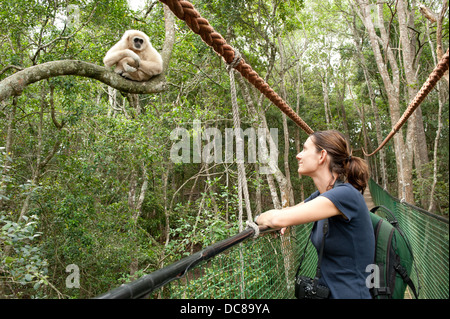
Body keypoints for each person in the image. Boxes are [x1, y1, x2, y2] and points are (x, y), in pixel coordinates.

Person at [255, 130, 375, 299]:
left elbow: (277, 218)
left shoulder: (345, 195)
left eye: (304, 149)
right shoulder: (323, 195)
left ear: (322, 156)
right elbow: (288, 213)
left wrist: (258, 219)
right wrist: (285, 220)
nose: (298, 155)